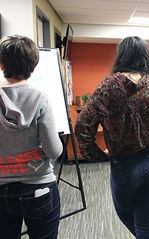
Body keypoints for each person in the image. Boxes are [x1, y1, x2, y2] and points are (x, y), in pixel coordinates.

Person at [74, 36, 149, 239]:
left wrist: (98, 155)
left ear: (121, 57)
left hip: (124, 166)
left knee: (126, 214)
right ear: (147, 59)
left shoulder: (108, 86)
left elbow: (81, 126)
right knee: (143, 221)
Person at [0, 35, 63, 238]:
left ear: (1, 64)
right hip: (38, 188)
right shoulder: (40, 98)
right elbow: (53, 151)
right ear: (34, 65)